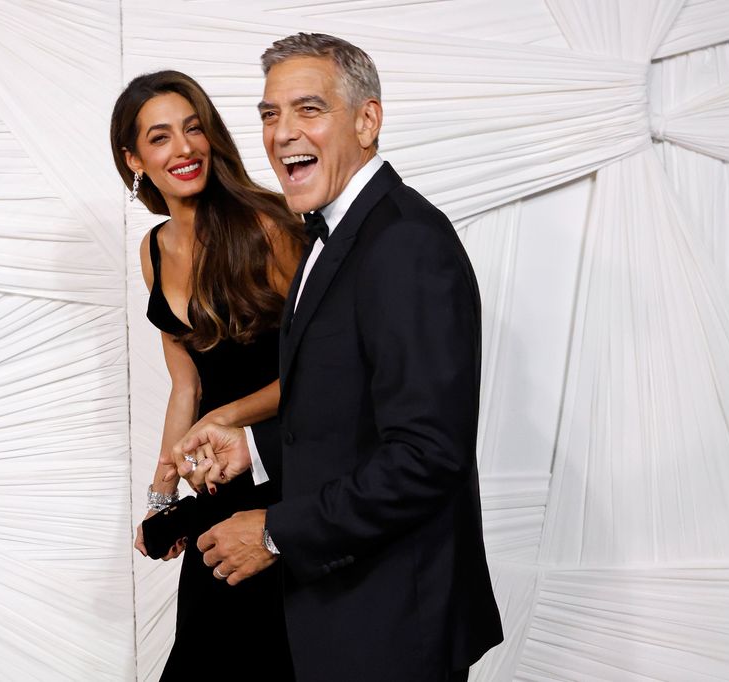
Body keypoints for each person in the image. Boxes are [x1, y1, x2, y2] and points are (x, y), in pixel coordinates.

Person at [173, 34, 503, 682]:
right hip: (344, 609)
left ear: (367, 120)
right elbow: (348, 411)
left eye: (308, 110)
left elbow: (426, 456)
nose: (282, 132)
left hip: (392, 621)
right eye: (270, 114)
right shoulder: (329, 232)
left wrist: (273, 532)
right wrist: (258, 449)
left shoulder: (405, 241)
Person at [109, 70, 302, 680]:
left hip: (290, 471)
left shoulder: (267, 226)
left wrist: (229, 418)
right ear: (134, 158)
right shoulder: (153, 248)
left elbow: (321, 372)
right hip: (218, 489)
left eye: (193, 128)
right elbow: (186, 386)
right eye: (160, 137)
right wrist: (162, 496)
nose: (184, 148)